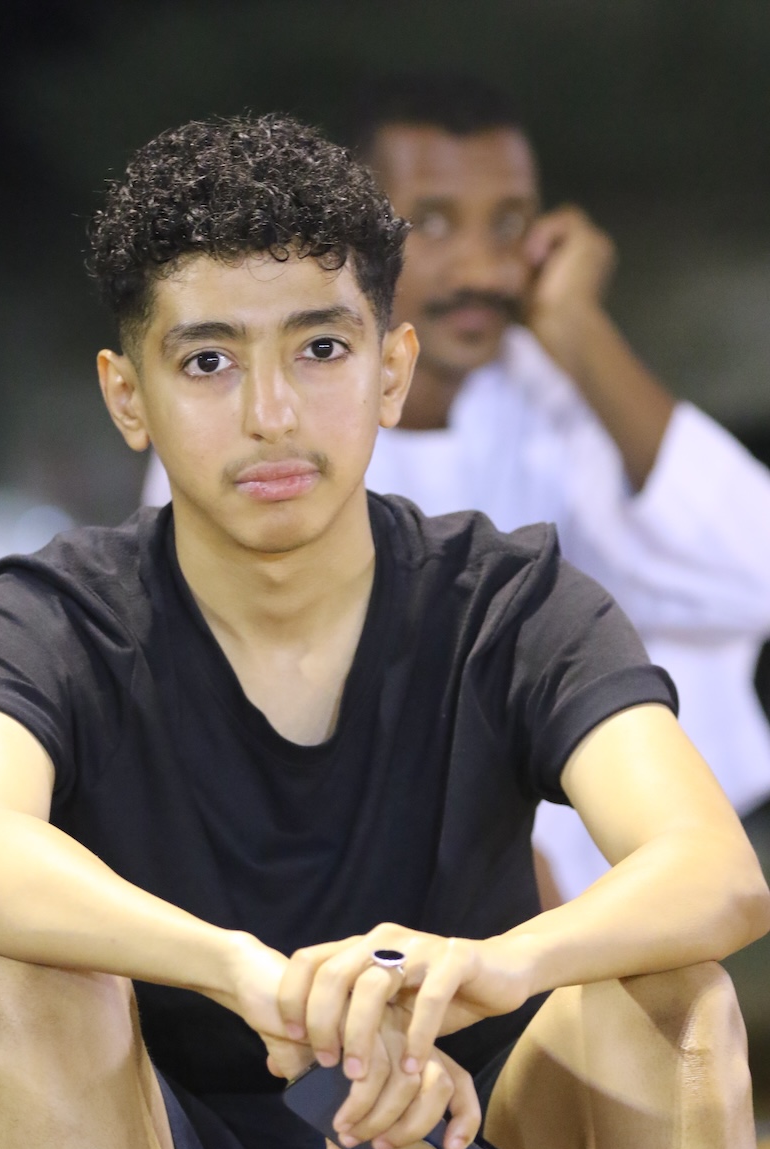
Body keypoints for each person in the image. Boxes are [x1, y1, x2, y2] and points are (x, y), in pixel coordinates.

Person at [0, 115, 767, 1149]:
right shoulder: (53, 616)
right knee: (24, 981)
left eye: (318, 348)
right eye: (207, 361)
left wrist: (486, 973)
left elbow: (713, 870)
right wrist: (242, 974)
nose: (271, 414)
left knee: (679, 999)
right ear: (128, 396)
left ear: (390, 367)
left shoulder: (510, 604)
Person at [139, 76, 770, 902]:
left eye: (508, 225)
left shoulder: (542, 386)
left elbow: (753, 573)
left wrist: (580, 328)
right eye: (431, 223)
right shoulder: (261, 421)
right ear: (341, 239)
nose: (481, 268)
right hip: (335, 870)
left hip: (586, 850)